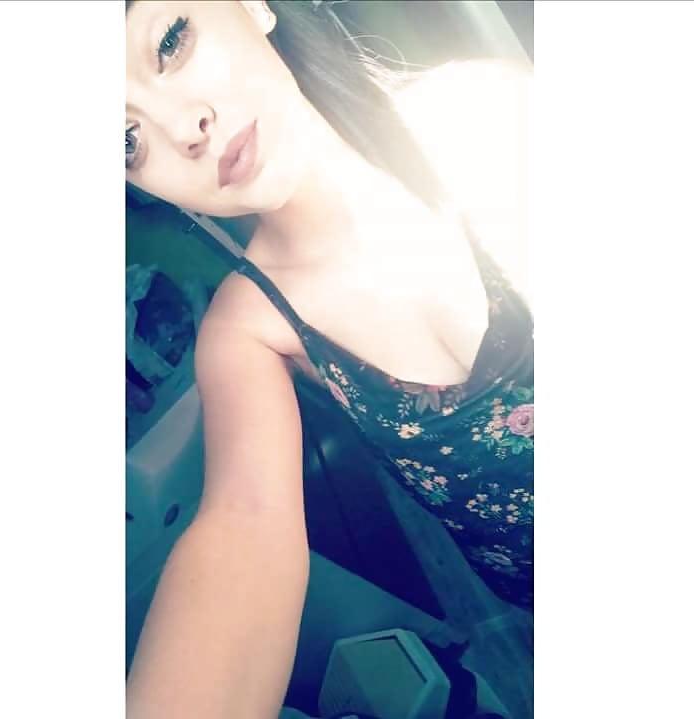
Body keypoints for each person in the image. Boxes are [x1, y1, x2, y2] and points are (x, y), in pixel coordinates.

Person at [125, 1, 533, 717]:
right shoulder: (250, 328)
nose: (183, 130)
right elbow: (242, 530)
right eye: (124, 140)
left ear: (253, 7)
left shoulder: (483, 117)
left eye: (170, 41)